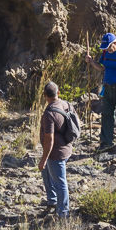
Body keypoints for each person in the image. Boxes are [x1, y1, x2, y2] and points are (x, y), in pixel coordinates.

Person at [39, 81, 75, 219]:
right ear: (58, 92)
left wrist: (43, 159)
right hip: (66, 148)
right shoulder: (66, 104)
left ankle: (63, 213)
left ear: (44, 95)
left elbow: (49, 140)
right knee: (47, 175)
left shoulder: (49, 114)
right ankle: (52, 201)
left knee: (60, 182)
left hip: (56, 153)